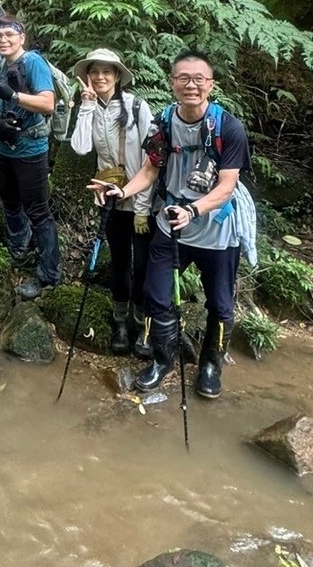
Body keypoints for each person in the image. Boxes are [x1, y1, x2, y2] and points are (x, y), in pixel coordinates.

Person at [88, 51, 252, 399]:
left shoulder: (228, 128)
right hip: (170, 225)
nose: (191, 85)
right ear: (172, 82)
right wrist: (123, 190)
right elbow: (149, 171)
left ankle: (210, 364)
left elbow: (226, 187)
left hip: (216, 232)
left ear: (211, 84)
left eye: (198, 78)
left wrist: (193, 211)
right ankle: (162, 360)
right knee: (156, 295)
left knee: (221, 304)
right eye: (183, 78)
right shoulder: (163, 123)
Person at [71, 48, 155, 357]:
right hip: (111, 199)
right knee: (120, 262)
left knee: (143, 266)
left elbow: (152, 159)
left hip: (141, 198)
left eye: (108, 71)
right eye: (95, 71)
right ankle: (121, 323)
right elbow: (80, 148)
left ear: (118, 76)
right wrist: (86, 107)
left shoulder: (136, 107)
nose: (101, 76)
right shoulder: (90, 107)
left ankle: (141, 323)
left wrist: (143, 207)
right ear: (89, 77)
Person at [0, 17, 61, 300]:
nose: (3, 40)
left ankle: (49, 272)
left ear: (21, 37)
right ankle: (18, 249)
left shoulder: (33, 62)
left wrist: (12, 96)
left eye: (9, 35)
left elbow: (47, 103)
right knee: (10, 202)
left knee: (38, 211)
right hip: (4, 147)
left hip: (31, 150)